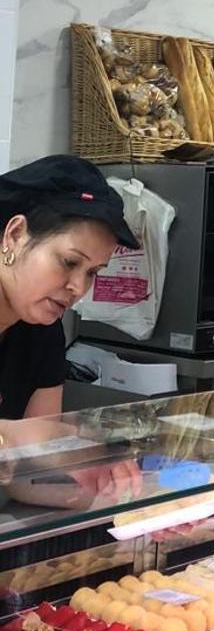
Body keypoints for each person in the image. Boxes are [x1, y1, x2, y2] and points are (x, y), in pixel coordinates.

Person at [0, 155, 143, 509]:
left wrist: (122, 502)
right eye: (69, 262)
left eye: (93, 272)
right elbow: (29, 440)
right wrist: (17, 437)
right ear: (15, 235)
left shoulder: (41, 330)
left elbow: (24, 479)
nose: (79, 288)